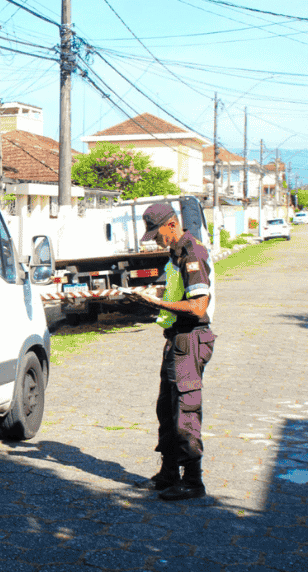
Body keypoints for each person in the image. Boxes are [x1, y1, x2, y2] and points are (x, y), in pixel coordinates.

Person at [125, 203, 216, 501]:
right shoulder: (175, 252)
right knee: (166, 408)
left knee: (186, 411)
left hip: (191, 339)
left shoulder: (192, 253)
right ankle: (169, 472)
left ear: (172, 225)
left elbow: (198, 306)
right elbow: (177, 292)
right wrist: (152, 294)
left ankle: (192, 481)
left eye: (157, 233)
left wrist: (156, 303)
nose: (154, 239)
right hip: (177, 338)